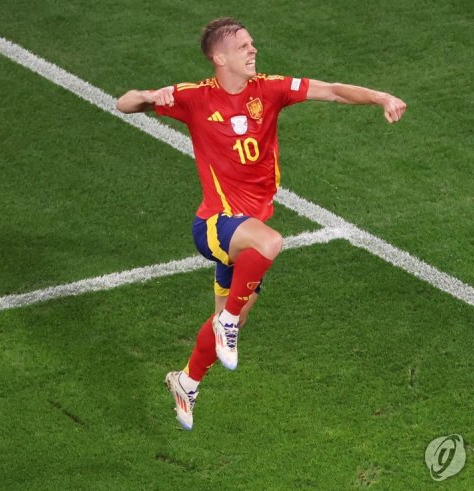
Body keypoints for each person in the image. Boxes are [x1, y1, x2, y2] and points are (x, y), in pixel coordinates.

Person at [116, 17, 406, 430]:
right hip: (216, 226)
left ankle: (186, 380)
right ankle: (227, 322)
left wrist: (380, 97)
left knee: (236, 310)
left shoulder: (269, 90)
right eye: (243, 47)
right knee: (270, 244)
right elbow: (123, 104)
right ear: (220, 57)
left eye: (252, 44)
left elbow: (333, 92)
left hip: (245, 232)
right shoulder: (194, 98)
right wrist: (148, 95)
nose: (253, 51)